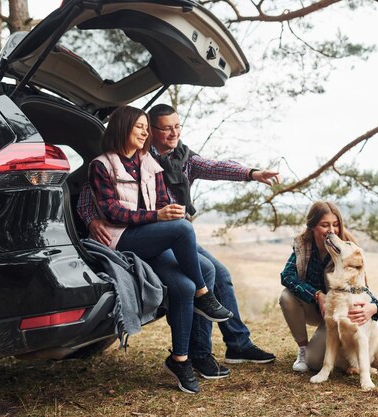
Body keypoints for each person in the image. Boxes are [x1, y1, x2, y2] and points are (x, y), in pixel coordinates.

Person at [78, 103, 277, 381]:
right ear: (150, 130)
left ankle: (205, 352)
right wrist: (91, 220)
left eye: (177, 127)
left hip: (168, 231)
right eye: (164, 128)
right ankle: (209, 342)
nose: (173, 133)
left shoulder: (180, 159)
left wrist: (251, 173)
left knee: (209, 274)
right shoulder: (112, 162)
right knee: (207, 273)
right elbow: (91, 196)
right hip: (155, 231)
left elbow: (216, 167)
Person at [279, 201, 378, 372]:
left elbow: (363, 287)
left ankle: (359, 359)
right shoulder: (303, 245)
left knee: (314, 363)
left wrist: (374, 307)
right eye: (324, 225)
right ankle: (303, 350)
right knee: (286, 296)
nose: (332, 230)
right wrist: (317, 295)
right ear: (312, 226)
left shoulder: (347, 247)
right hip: (313, 308)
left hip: (337, 315)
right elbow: (287, 276)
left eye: (335, 225)